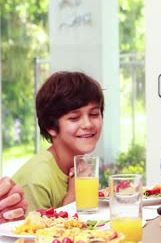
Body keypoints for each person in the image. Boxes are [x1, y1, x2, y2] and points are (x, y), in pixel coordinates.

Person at [13, 71, 104, 212]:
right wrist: (73, 196)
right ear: (51, 126)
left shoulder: (81, 167)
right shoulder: (37, 180)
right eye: (74, 118)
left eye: (94, 114)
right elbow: (32, 233)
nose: (88, 124)